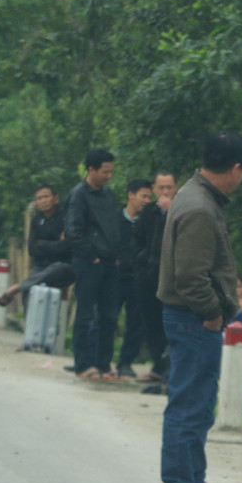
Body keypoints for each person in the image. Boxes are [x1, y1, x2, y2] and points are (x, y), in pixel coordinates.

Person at [158, 132, 242, 483]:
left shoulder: (197, 196)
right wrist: (213, 314)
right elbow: (190, 276)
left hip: (193, 318)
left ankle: (193, 478)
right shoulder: (199, 206)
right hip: (193, 318)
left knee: (199, 401)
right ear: (235, 168)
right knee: (189, 401)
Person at [65, 149, 120, 379]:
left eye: (110, 171)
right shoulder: (79, 195)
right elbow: (73, 231)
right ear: (91, 170)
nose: (108, 176)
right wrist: (91, 256)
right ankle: (82, 364)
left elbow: (114, 225)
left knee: (109, 316)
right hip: (89, 263)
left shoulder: (108, 194)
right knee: (86, 315)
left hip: (110, 263)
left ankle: (103, 364)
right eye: (104, 172)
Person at [0, 184, 74, 306]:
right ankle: (29, 318)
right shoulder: (36, 220)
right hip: (41, 267)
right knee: (29, 290)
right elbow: (32, 250)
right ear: (36, 202)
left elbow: (66, 247)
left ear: (56, 199)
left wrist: (42, 244)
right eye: (39, 198)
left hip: (64, 268)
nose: (43, 201)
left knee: (59, 267)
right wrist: (55, 244)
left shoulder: (66, 218)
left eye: (46, 197)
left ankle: (16, 288)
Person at [133, 170, 177, 384]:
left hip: (171, 279)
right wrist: (141, 260)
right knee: (151, 323)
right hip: (147, 275)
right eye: (161, 187)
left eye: (169, 187)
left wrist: (169, 213)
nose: (165, 192)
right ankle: (157, 366)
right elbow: (137, 240)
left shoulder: (181, 211)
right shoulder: (148, 211)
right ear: (154, 189)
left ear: (176, 188)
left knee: (170, 322)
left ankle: (170, 369)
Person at [109, 178, 154, 379]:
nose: (147, 201)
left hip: (138, 277)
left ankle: (125, 362)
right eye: (143, 196)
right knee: (107, 319)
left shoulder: (149, 222)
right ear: (130, 195)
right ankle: (98, 360)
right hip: (114, 276)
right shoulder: (114, 218)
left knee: (136, 323)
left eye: (149, 197)